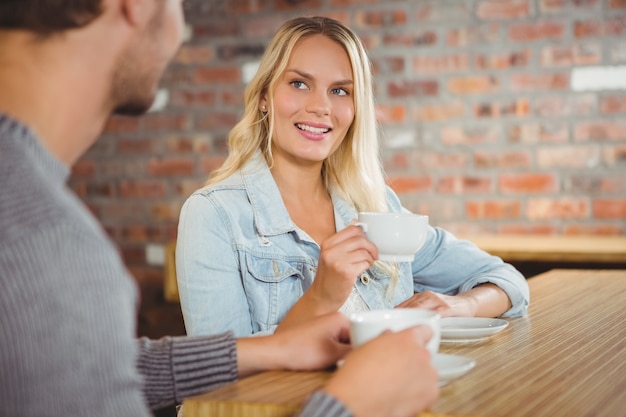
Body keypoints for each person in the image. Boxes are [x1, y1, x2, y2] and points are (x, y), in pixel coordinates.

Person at [0, 2, 439, 417]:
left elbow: (88, 368)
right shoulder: (46, 244)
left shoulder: (25, 213)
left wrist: (272, 349)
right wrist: (351, 403)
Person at [176, 16, 531, 338]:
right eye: (299, 84)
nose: (321, 106)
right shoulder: (214, 215)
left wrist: (460, 306)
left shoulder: (376, 207)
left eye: (340, 91)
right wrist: (321, 297)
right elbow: (218, 378)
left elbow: (507, 281)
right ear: (265, 97)